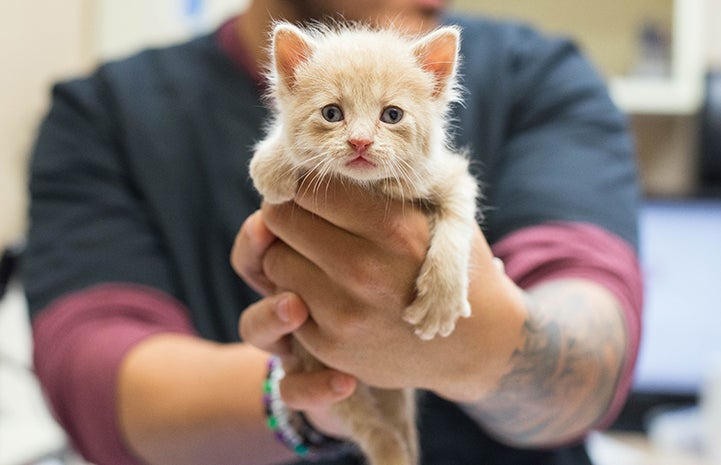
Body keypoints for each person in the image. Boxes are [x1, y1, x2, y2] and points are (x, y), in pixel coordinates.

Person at [23, 0, 643, 464]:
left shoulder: (543, 76)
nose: (363, 139)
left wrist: (475, 342)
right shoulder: (102, 112)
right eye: (335, 113)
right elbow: (89, 376)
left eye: (391, 116)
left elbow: (595, 349)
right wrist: (309, 393)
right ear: (290, 81)